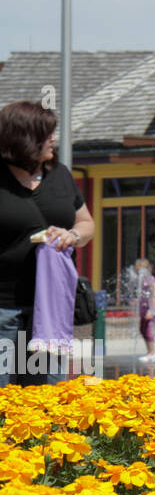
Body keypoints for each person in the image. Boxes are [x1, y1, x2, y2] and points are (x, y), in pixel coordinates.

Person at [0, 102, 95, 386]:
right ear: (24, 139)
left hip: (51, 310)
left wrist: (73, 236)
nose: (54, 139)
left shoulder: (60, 175)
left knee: (44, 401)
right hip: (4, 311)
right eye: (47, 134)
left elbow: (87, 224)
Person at [133, 259, 155, 363]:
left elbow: (153, 294)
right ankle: (149, 351)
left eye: (142, 268)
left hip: (151, 308)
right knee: (142, 329)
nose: (139, 270)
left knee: (148, 330)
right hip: (144, 307)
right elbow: (142, 294)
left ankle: (152, 353)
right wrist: (137, 300)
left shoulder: (150, 279)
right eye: (138, 268)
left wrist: (151, 310)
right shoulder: (140, 279)